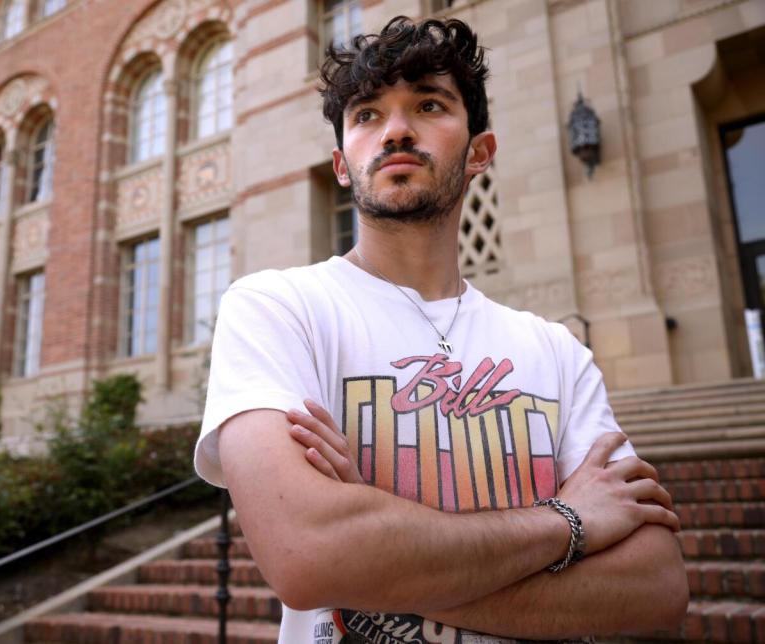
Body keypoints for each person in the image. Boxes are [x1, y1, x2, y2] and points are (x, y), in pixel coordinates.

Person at [194, 16, 688, 644]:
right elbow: (307, 554)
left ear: (479, 151)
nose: (396, 129)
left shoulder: (557, 352)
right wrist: (568, 521)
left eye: (428, 105)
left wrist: (374, 559)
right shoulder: (278, 308)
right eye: (368, 115)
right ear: (343, 165)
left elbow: (656, 591)